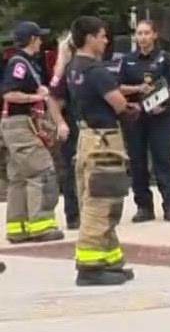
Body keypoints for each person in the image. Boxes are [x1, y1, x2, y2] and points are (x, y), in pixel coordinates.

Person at [65, 16, 135, 286]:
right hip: (104, 142)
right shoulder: (96, 71)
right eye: (103, 36)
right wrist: (135, 109)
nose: (106, 41)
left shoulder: (73, 67)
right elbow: (118, 104)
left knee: (97, 198)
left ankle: (110, 260)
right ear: (90, 37)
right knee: (102, 202)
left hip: (86, 139)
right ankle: (90, 266)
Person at [2, 22, 67, 245]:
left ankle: (18, 228)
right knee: (42, 171)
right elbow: (9, 94)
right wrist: (35, 98)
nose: (41, 41)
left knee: (20, 178)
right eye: (38, 37)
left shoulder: (28, 63)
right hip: (20, 125)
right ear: (31, 39)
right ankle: (41, 225)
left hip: (17, 126)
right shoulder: (19, 64)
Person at [118, 18, 170, 223]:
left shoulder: (164, 59)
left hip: (160, 116)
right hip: (135, 117)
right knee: (137, 161)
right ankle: (143, 207)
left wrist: (161, 99)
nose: (143, 37)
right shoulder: (128, 60)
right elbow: (118, 87)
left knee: (162, 159)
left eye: (147, 33)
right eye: (139, 33)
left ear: (155, 35)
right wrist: (138, 89)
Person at [50, 35, 80, 230]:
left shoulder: (89, 68)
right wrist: (60, 123)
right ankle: (73, 215)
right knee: (71, 171)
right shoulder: (65, 73)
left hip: (86, 126)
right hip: (71, 127)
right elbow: (54, 100)